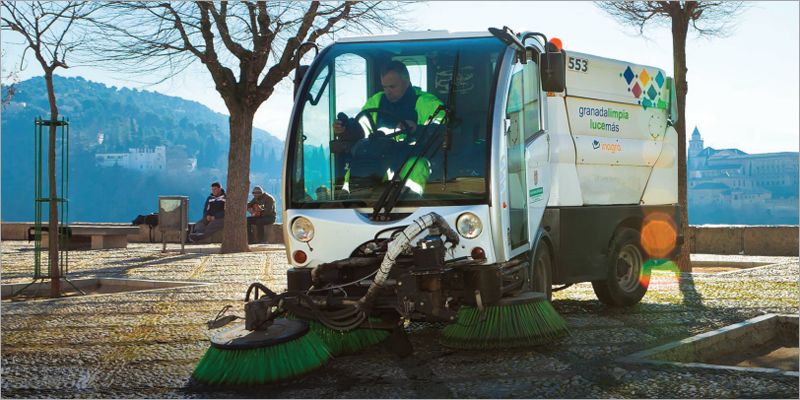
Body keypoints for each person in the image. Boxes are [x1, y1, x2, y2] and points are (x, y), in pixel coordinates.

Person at [333, 61, 444, 196]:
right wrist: (346, 128)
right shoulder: (377, 101)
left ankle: (410, 202)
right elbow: (361, 126)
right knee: (358, 165)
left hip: (410, 158)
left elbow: (443, 130)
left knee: (416, 166)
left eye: (392, 86)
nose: (388, 92)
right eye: (385, 87)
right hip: (382, 160)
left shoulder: (427, 103)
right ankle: (347, 203)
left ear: (407, 82)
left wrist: (418, 129)